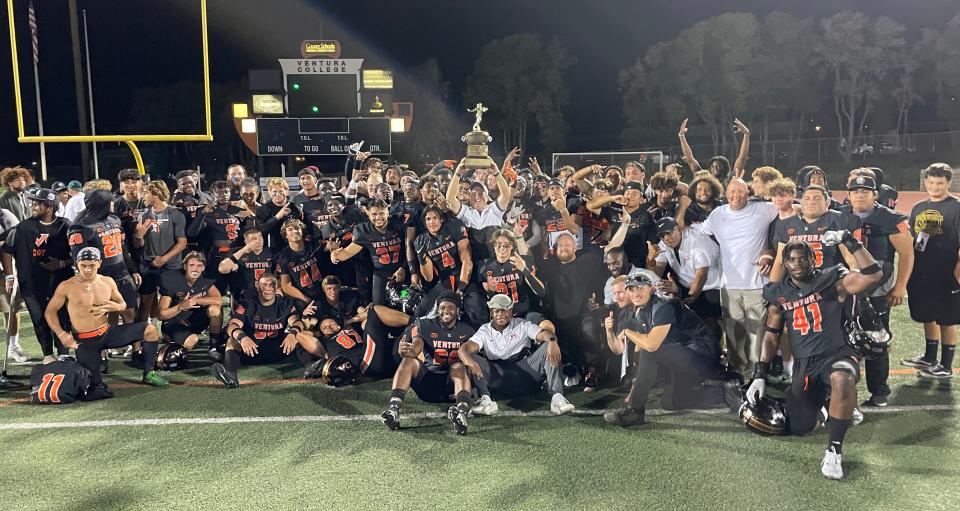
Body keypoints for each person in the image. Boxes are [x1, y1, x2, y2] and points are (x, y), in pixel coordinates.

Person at [747, 236, 882, 479]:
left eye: (803, 258)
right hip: (804, 363)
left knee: (842, 379)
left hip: (836, 353)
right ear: (785, 264)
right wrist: (760, 374)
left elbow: (873, 274)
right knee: (801, 427)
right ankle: (832, 410)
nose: (798, 263)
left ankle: (834, 451)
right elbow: (771, 334)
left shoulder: (832, 281)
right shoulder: (778, 293)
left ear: (813, 259)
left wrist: (850, 242)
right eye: (792, 260)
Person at [603, 273, 740, 427]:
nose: (636, 293)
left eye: (640, 288)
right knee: (671, 402)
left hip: (702, 354)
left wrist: (627, 332)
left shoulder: (664, 306)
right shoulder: (641, 312)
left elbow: (651, 346)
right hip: (683, 355)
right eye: (632, 289)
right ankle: (721, 391)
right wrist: (635, 387)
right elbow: (634, 354)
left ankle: (635, 412)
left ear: (652, 289)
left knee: (650, 351)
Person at [45, 247, 169, 397]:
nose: (87, 269)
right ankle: (94, 379)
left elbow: (122, 304)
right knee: (94, 391)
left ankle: (149, 373)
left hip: (107, 332)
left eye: (91, 265)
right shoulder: (67, 286)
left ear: (99, 264)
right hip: (85, 341)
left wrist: (116, 306)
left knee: (150, 330)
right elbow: (50, 312)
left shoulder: (107, 282)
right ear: (77, 264)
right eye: (83, 265)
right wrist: (61, 334)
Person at [840, 175, 914, 405]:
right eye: (856, 191)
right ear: (849, 194)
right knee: (842, 338)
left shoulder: (890, 219)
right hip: (846, 288)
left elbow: (907, 253)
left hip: (878, 290)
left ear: (875, 194)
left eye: (865, 191)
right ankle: (843, 388)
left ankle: (879, 390)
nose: (860, 194)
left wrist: (900, 285)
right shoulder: (839, 215)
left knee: (876, 339)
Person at [701, 179, 778, 377]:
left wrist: (769, 252)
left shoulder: (763, 209)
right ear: (726, 193)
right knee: (734, 331)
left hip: (756, 284)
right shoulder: (718, 214)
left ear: (748, 193)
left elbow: (787, 205)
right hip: (729, 284)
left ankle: (755, 373)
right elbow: (703, 232)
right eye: (732, 191)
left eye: (741, 192)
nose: (736, 195)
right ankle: (736, 370)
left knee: (756, 331)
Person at [458, 294, 575, 416]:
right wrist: (469, 360)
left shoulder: (522, 324)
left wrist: (552, 340)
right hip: (498, 379)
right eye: (496, 310)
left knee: (548, 346)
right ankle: (486, 400)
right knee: (469, 357)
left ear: (510, 311)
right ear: (491, 313)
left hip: (527, 377)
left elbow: (544, 334)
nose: (500, 314)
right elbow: (464, 349)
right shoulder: (484, 330)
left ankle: (557, 398)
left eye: (504, 310)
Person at [381, 292, 475, 435]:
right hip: (428, 383)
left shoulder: (468, 330)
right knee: (409, 361)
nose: (445, 311)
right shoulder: (426, 325)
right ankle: (394, 408)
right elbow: (417, 345)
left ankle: (461, 411)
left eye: (450, 307)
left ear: (458, 310)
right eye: (442, 307)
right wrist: (405, 351)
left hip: (452, 387)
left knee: (459, 366)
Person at [210, 272, 323, 388]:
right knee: (232, 340)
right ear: (258, 286)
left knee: (299, 334)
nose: (268, 288)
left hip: (278, 350)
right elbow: (232, 325)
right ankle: (230, 375)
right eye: (264, 284)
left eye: (272, 284)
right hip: (251, 351)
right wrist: (243, 338)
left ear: (276, 286)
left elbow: (296, 322)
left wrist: (292, 333)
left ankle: (311, 367)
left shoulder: (284, 303)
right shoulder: (248, 304)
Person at [901, 163, 960, 379]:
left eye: (940, 183)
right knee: (928, 314)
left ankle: (945, 366)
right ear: (925, 182)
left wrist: (957, 275)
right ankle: (929, 357)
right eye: (932, 182)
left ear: (948, 183)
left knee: (947, 318)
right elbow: (915, 240)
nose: (935, 187)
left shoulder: (956, 207)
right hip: (922, 271)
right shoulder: (918, 207)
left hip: (946, 273)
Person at [1, 188, 74, 363]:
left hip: (60, 281)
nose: (34, 206)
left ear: (50, 206)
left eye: (38, 203)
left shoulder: (65, 225)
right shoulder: (22, 227)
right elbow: (6, 250)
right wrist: (10, 276)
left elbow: (77, 253)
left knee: (63, 315)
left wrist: (62, 263)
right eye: (33, 202)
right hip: (31, 282)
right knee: (39, 318)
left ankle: (63, 352)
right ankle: (48, 354)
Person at [541, 232, 606, 390]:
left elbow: (610, 248)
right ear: (555, 249)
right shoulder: (550, 267)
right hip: (558, 319)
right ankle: (557, 371)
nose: (563, 247)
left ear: (575, 247)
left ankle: (592, 371)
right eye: (560, 245)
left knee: (590, 326)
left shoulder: (586, 262)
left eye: (567, 244)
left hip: (582, 316)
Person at [646, 217, 723, 334]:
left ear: (678, 229)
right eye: (662, 236)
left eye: (669, 233)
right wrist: (651, 261)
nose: (667, 238)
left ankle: (715, 349)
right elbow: (657, 273)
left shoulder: (696, 240)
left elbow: (701, 274)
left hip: (712, 286)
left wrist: (689, 300)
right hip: (688, 286)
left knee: (708, 322)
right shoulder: (663, 245)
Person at [769, 185, 860, 283]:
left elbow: (851, 259)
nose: (811, 202)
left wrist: (854, 283)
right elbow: (780, 262)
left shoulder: (840, 220)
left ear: (827, 203)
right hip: (798, 286)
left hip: (831, 283)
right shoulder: (785, 225)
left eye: (817, 198)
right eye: (806, 198)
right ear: (801, 202)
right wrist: (772, 288)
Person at [412, 205, 486, 325]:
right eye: (428, 219)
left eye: (435, 218)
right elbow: (428, 278)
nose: (432, 222)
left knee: (476, 311)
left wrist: (461, 288)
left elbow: (467, 261)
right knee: (421, 311)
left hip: (466, 277)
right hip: (446, 280)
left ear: (441, 219)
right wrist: (422, 258)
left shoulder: (454, 227)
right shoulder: (420, 240)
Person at [331, 199, 407, 306]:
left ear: (388, 212)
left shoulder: (398, 223)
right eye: (374, 214)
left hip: (402, 272)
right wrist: (335, 254)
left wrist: (403, 268)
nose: (378, 217)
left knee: (405, 301)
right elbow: (346, 253)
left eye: (381, 213)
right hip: (381, 275)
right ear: (368, 213)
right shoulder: (364, 231)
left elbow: (410, 249)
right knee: (379, 307)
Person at [133, 181, 187, 326]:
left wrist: (164, 259)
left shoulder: (175, 214)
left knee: (171, 303)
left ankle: (171, 335)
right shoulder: (143, 216)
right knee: (144, 305)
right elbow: (138, 245)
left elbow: (182, 242)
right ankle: (142, 339)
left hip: (170, 266)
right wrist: (139, 236)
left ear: (156, 194)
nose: (142, 196)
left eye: (145, 192)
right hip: (148, 265)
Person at [157, 251, 224, 352]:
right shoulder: (172, 281)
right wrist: (181, 306)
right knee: (192, 342)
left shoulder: (205, 280)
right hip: (175, 322)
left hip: (194, 321)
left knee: (215, 309)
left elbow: (218, 300)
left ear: (203, 268)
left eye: (199, 265)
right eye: (191, 265)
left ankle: (214, 346)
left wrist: (195, 300)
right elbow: (161, 315)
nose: (195, 269)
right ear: (185, 267)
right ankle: (172, 338)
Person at [218, 228, 274, 304]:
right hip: (245, 297)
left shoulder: (271, 252)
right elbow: (222, 269)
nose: (258, 241)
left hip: (269, 295)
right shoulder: (238, 253)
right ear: (246, 242)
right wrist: (243, 250)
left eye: (260, 237)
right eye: (254, 239)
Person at [256, 177, 299, 250]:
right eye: (274, 191)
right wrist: (277, 217)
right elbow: (261, 230)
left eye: (281, 191)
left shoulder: (295, 208)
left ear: (287, 191)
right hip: (273, 250)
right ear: (269, 192)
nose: (278, 194)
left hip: (294, 249)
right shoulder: (262, 209)